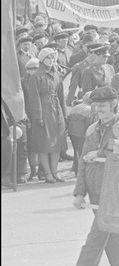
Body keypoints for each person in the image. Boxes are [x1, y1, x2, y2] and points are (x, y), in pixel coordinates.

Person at [53, 86, 119, 266]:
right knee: (113, 242)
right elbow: (83, 162)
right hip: (95, 192)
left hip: (114, 193)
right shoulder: (92, 129)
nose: (99, 109)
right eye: (96, 105)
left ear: (114, 104)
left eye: (103, 105)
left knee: (93, 244)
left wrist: (100, 153)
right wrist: (79, 192)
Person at [28, 48, 67, 183]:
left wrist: (64, 113)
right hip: (44, 111)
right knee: (44, 144)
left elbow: (61, 96)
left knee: (57, 143)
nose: (51, 61)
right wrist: (38, 116)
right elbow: (34, 97)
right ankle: (48, 173)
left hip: (56, 110)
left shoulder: (57, 74)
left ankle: (55, 172)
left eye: (53, 58)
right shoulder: (36, 76)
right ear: (42, 60)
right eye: (48, 58)